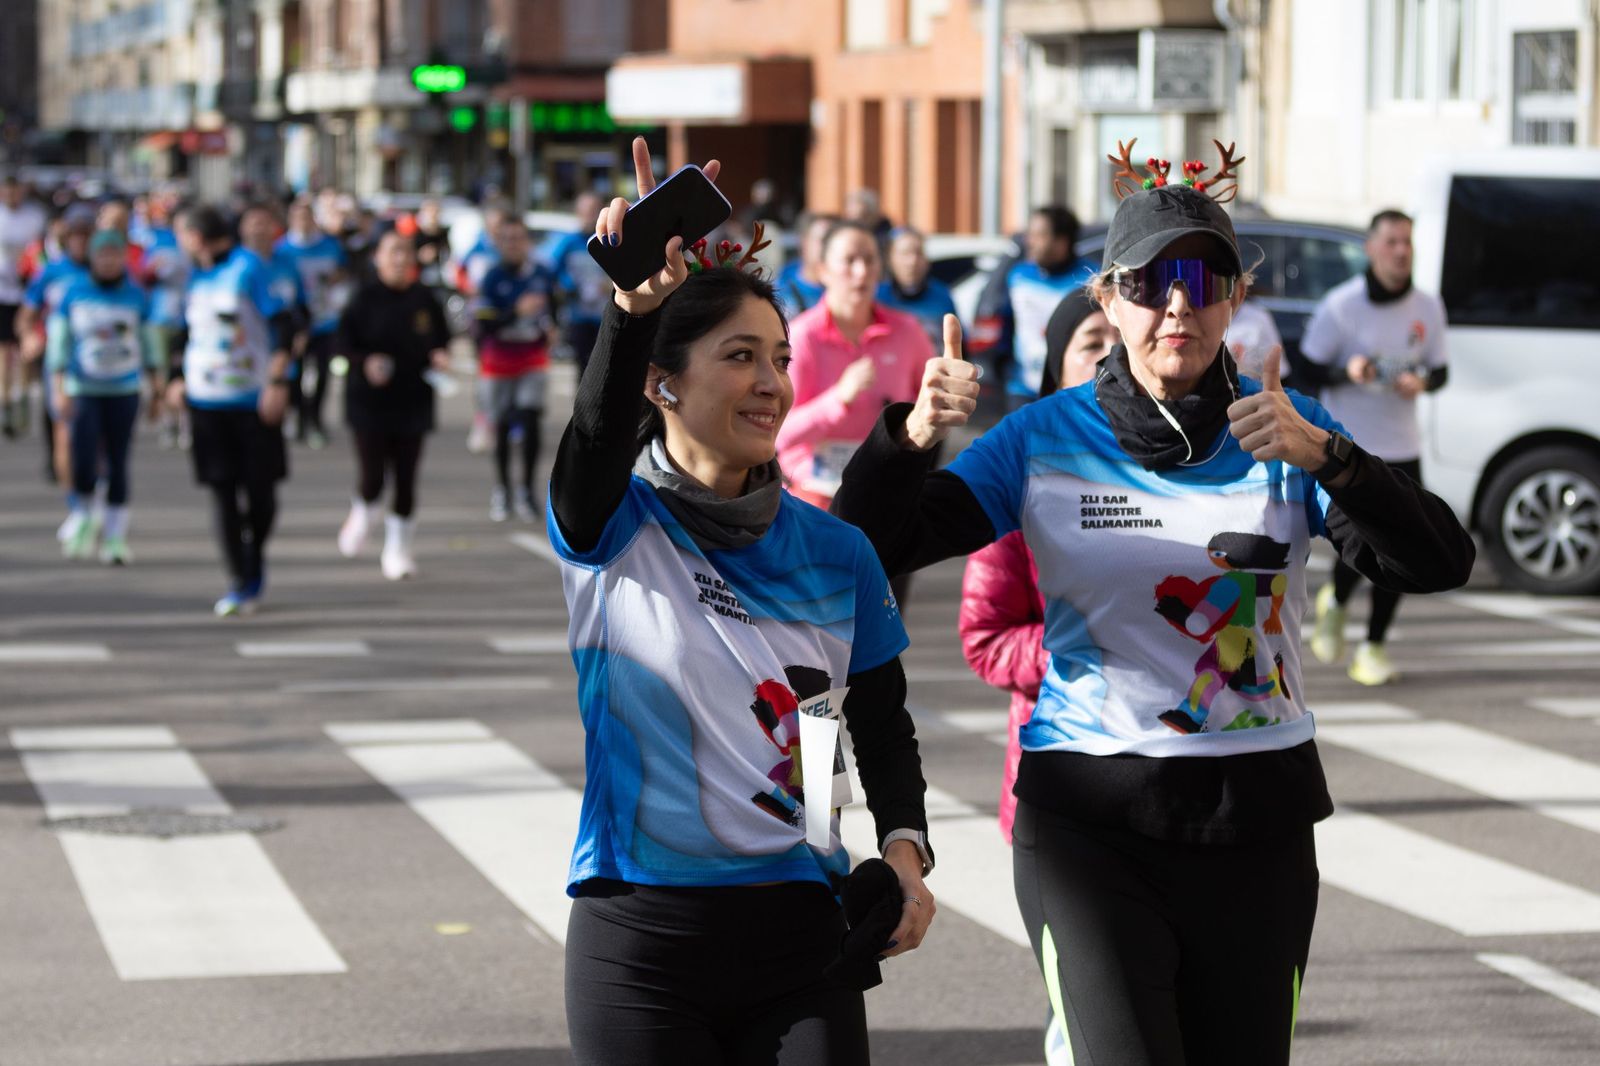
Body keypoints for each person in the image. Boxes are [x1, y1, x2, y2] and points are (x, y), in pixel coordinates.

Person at [830, 144, 1475, 1066]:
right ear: (1107, 299)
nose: (1178, 304)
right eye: (1148, 281)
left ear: (1236, 297)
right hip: (1090, 822)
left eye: (1204, 278)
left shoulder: (1285, 429)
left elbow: (1441, 560)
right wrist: (909, 437)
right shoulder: (1043, 438)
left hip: (1259, 816)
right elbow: (871, 545)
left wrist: (1337, 460)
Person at [551, 136, 934, 1066]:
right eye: (739, 356)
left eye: (780, 356)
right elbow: (599, 432)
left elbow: (880, 724)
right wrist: (632, 310)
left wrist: (907, 856)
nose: (772, 384)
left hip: (803, 938)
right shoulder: (610, 525)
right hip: (641, 942)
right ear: (663, 382)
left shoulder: (836, 552)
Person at [959, 286, 1116, 1065]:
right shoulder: (1018, 475)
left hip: (1185, 792)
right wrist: (1083, 646)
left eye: (1121, 339)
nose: (1112, 358)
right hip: (1061, 789)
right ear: (1054, 372)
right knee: (1085, 1017)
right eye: (1092, 342)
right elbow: (985, 639)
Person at [1299, 209, 1450, 686]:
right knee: (1361, 548)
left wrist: (1420, 381)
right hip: (1351, 448)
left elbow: (1441, 371)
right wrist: (1351, 372)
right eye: (1391, 242)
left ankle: (1374, 647)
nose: (1401, 252)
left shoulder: (1428, 306)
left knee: (1402, 550)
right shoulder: (1341, 306)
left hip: (1403, 445)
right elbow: (1305, 369)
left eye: (1407, 242)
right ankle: (1338, 602)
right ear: (1370, 248)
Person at [165, 205, 295, 617]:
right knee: (222, 493)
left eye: (181, 235)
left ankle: (253, 551)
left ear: (198, 236)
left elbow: (287, 325)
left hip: (252, 400)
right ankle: (241, 578)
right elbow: (186, 332)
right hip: (206, 402)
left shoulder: (248, 269)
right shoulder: (195, 276)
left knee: (261, 496)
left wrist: (277, 382)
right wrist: (175, 377)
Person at [776, 220, 933, 512]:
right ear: (823, 270)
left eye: (869, 260)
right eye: (849, 260)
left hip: (883, 491)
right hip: (813, 499)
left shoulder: (907, 332)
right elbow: (779, 433)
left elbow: (929, 406)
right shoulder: (800, 337)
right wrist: (839, 398)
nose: (861, 272)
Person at [335, 230, 452, 579]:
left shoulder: (425, 299)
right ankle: (363, 509)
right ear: (378, 258)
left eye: (405, 253)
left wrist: (439, 355)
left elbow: (441, 339)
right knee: (373, 475)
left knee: (405, 478)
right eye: (392, 252)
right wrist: (365, 362)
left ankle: (397, 551)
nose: (400, 260)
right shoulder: (363, 297)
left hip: (413, 399)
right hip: (368, 402)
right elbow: (341, 345)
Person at [47, 229, 162, 563]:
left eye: (115, 254)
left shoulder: (136, 295)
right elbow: (59, 341)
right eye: (103, 255)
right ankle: (83, 514)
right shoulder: (74, 293)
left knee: (118, 459)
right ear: (93, 258)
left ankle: (115, 536)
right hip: (84, 388)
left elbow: (149, 339)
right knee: (82, 458)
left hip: (124, 388)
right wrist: (58, 386)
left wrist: (155, 386)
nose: (109, 261)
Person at [971, 205, 1097, 409]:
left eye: (1039, 235)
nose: (1029, 241)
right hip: (1022, 390)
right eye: (1030, 234)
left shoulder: (1091, 279)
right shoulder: (1017, 275)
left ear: (1061, 242)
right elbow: (1002, 326)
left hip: (1073, 391)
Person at [472, 216, 555, 522]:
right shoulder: (492, 278)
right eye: (507, 239)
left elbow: (554, 307)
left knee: (530, 419)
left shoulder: (542, 274)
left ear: (527, 242)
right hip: (499, 360)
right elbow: (483, 324)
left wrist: (553, 328)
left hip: (532, 357)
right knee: (504, 426)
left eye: (518, 238)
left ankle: (526, 491)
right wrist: (515, 312)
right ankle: (502, 489)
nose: (513, 244)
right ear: (499, 243)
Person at [18, 207, 94, 491]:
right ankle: (68, 485)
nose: (82, 243)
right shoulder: (51, 270)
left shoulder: (106, 270)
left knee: (93, 430)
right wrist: (29, 336)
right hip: (59, 356)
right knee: (60, 422)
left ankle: (94, 485)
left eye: (88, 237)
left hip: (99, 361)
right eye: (77, 237)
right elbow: (27, 311)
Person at [275, 199, 350, 447]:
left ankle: (316, 419)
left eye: (307, 217)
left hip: (325, 319)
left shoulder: (329, 245)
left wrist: (332, 279)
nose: (303, 223)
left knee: (322, 373)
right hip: (296, 322)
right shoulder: (282, 249)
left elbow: (342, 272)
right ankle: (300, 415)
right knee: (294, 373)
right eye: (297, 218)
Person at [1, 174, 47, 439]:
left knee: (26, 351)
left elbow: (42, 252)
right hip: (2, 293)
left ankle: (22, 399)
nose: (11, 195)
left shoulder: (35, 216)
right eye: (6, 190)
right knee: (4, 351)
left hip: (28, 292)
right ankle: (5, 401)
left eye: (15, 190)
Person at [548, 191, 610, 380]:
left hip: (605, 315)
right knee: (583, 368)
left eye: (594, 211)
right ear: (578, 212)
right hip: (578, 316)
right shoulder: (568, 242)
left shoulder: (609, 240)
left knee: (605, 368)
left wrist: (611, 284)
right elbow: (551, 270)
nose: (590, 216)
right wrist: (570, 286)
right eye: (586, 211)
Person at [876, 227, 960, 354]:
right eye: (905, 254)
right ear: (890, 259)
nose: (912, 261)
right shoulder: (878, 297)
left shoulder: (942, 297)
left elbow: (959, 342)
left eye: (918, 253)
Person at [774, 211, 834, 317]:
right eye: (823, 240)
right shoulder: (779, 293)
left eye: (833, 242)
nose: (829, 248)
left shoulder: (852, 290)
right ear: (804, 243)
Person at [1225, 297, 1283, 381]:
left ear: (1241, 290)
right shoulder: (1202, 318)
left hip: (1251, 390)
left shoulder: (1259, 317)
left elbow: (1279, 372)